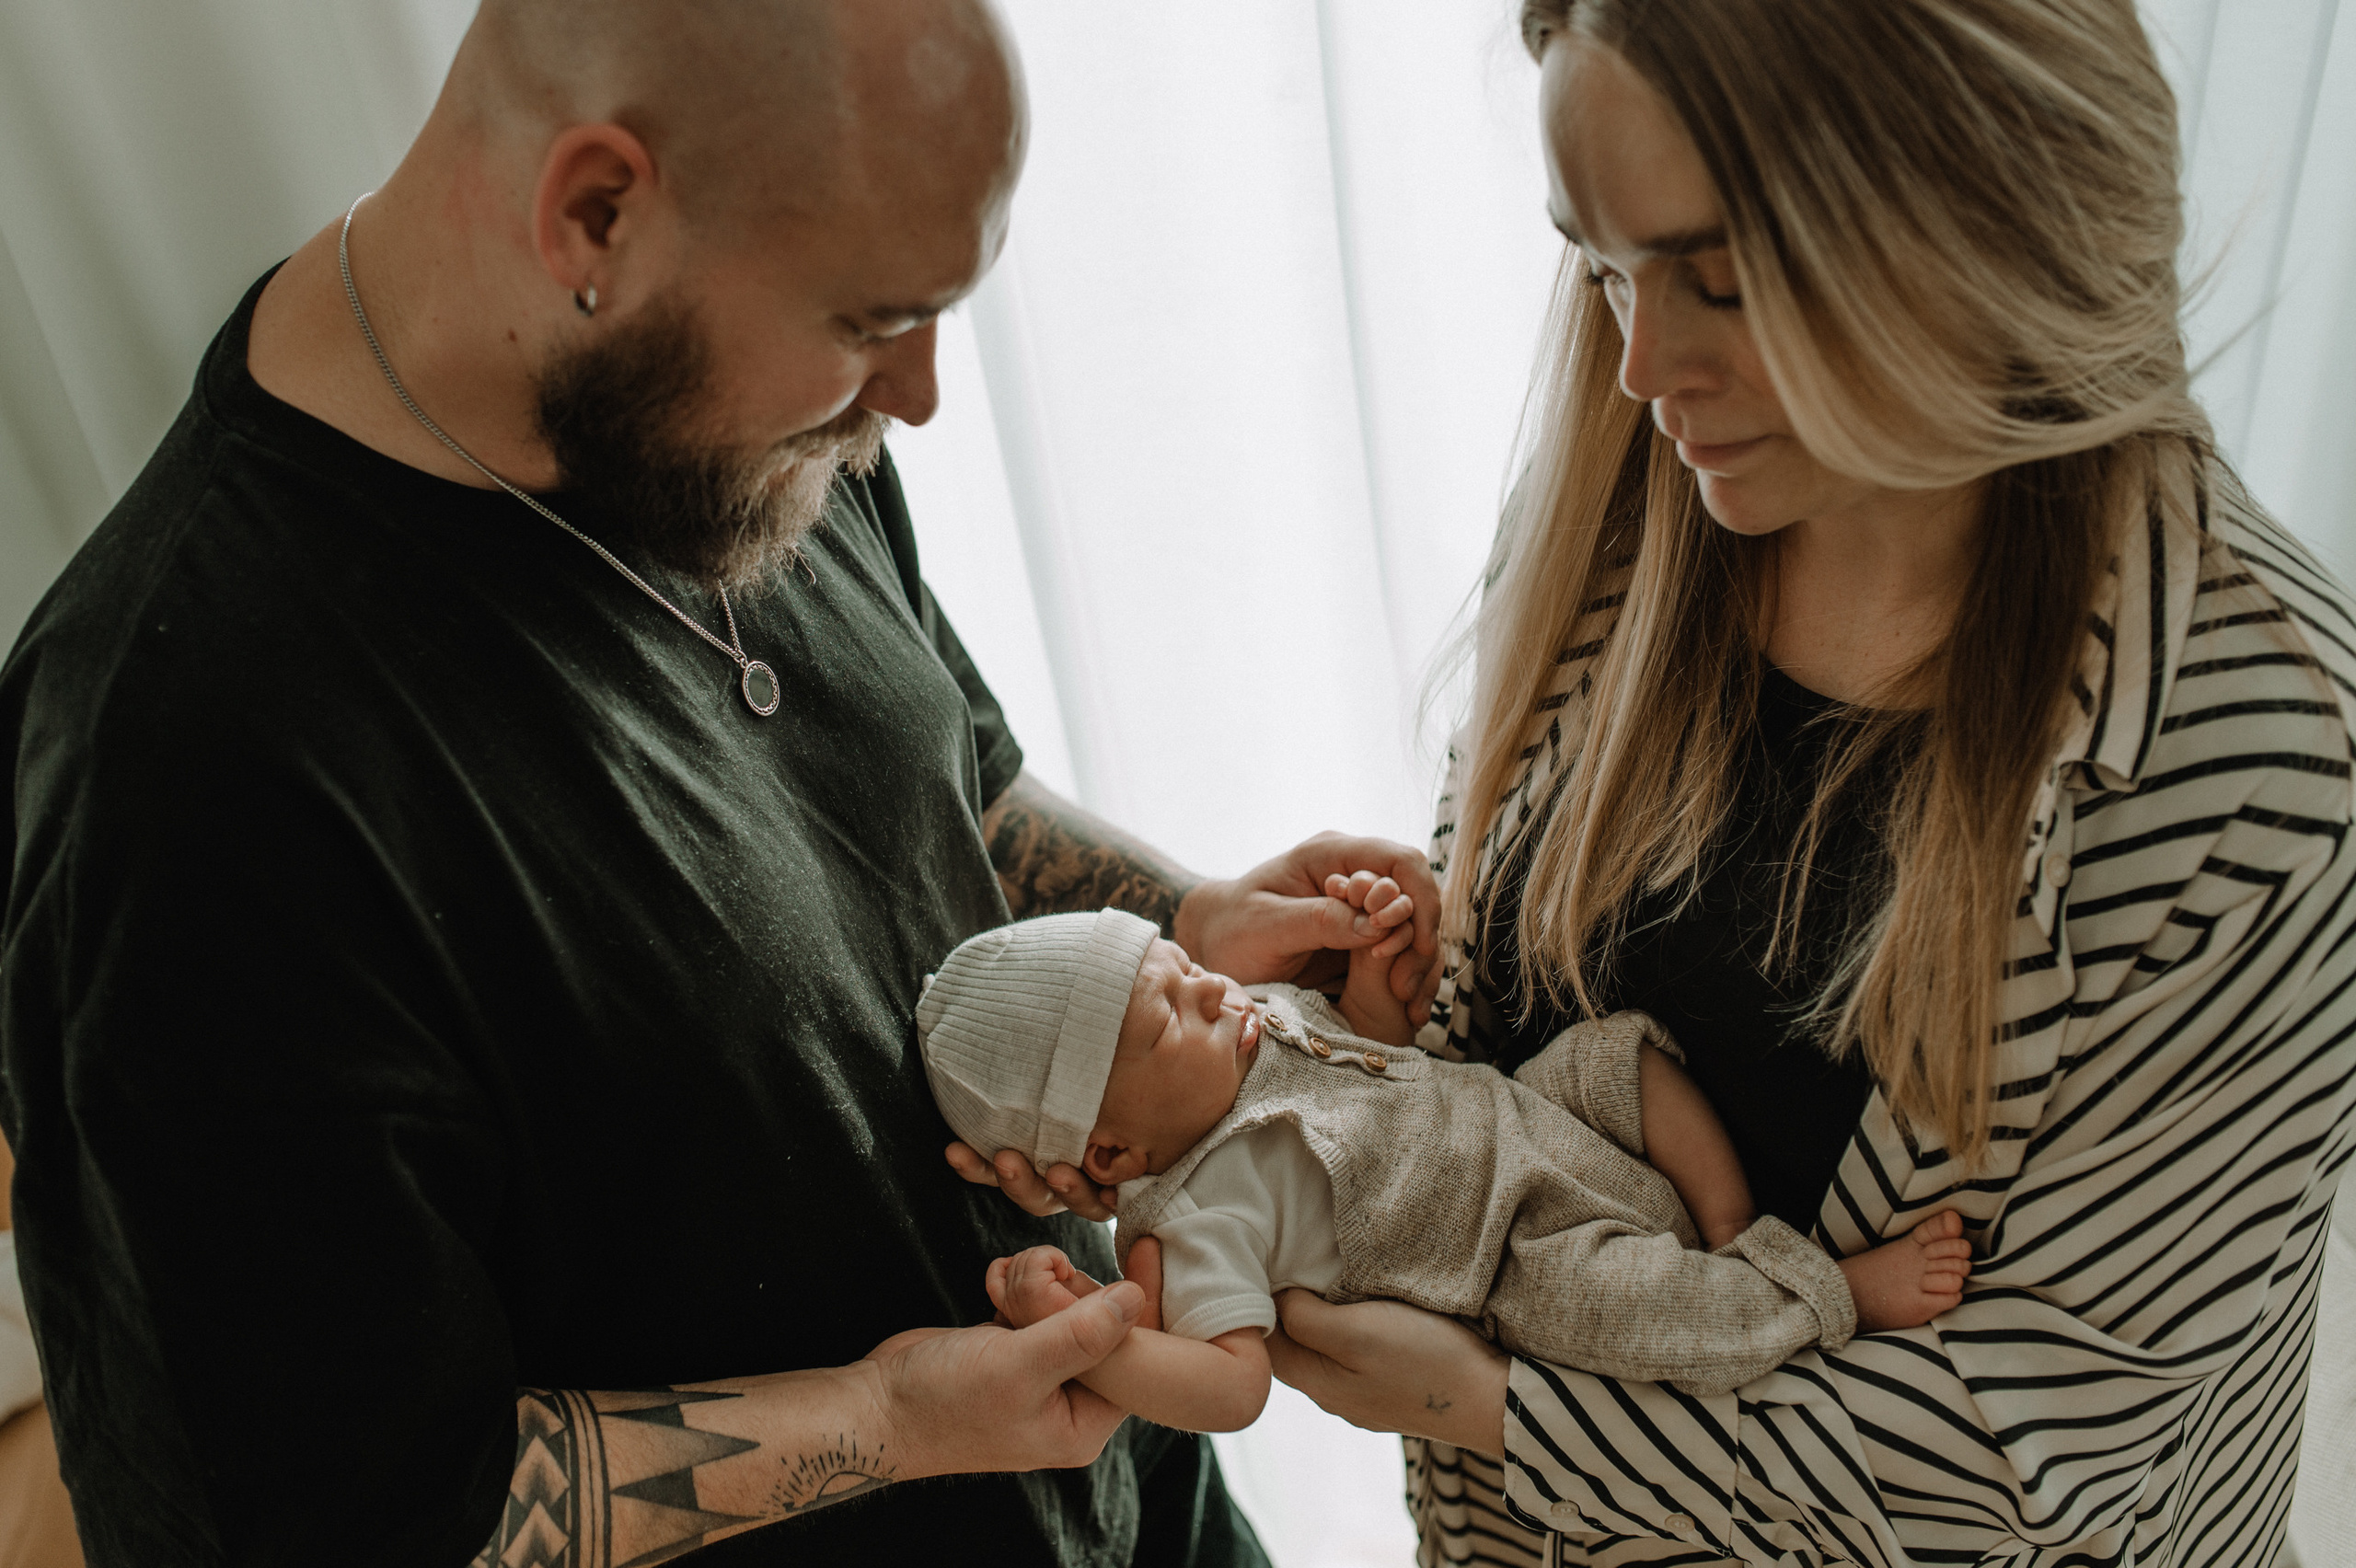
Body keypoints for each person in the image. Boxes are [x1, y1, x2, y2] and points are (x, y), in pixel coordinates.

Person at [0, 3, 1442, 1565]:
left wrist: (1186, 913)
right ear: (596, 212)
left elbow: (950, 785)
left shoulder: (725, 427)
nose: (918, 393)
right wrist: (891, 1415)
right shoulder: (188, 775)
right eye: (871, 319)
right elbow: (347, 1514)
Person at [1251, 3, 2356, 1564]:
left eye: (1718, 277)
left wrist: (1502, 1407)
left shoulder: (2263, 750)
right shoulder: (1619, 514)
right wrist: (1372, 1039)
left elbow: (2037, 1450)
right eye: (1601, 266)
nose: (1642, 366)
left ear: (1984, 209)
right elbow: (1502, 1074)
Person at [918, 908, 1969, 1433]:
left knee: (1619, 1055)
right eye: (1175, 1011)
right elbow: (1231, 1389)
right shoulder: (1194, 1216)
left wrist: (1379, 983)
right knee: (1658, 1314)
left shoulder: (1262, 1019)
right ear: (1108, 1152)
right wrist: (1088, 1344)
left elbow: (1378, 1044)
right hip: (1513, 1258)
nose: (1214, 991)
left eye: (1187, 967)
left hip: (1528, 1110)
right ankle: (1826, 1292)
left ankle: (1730, 1219)